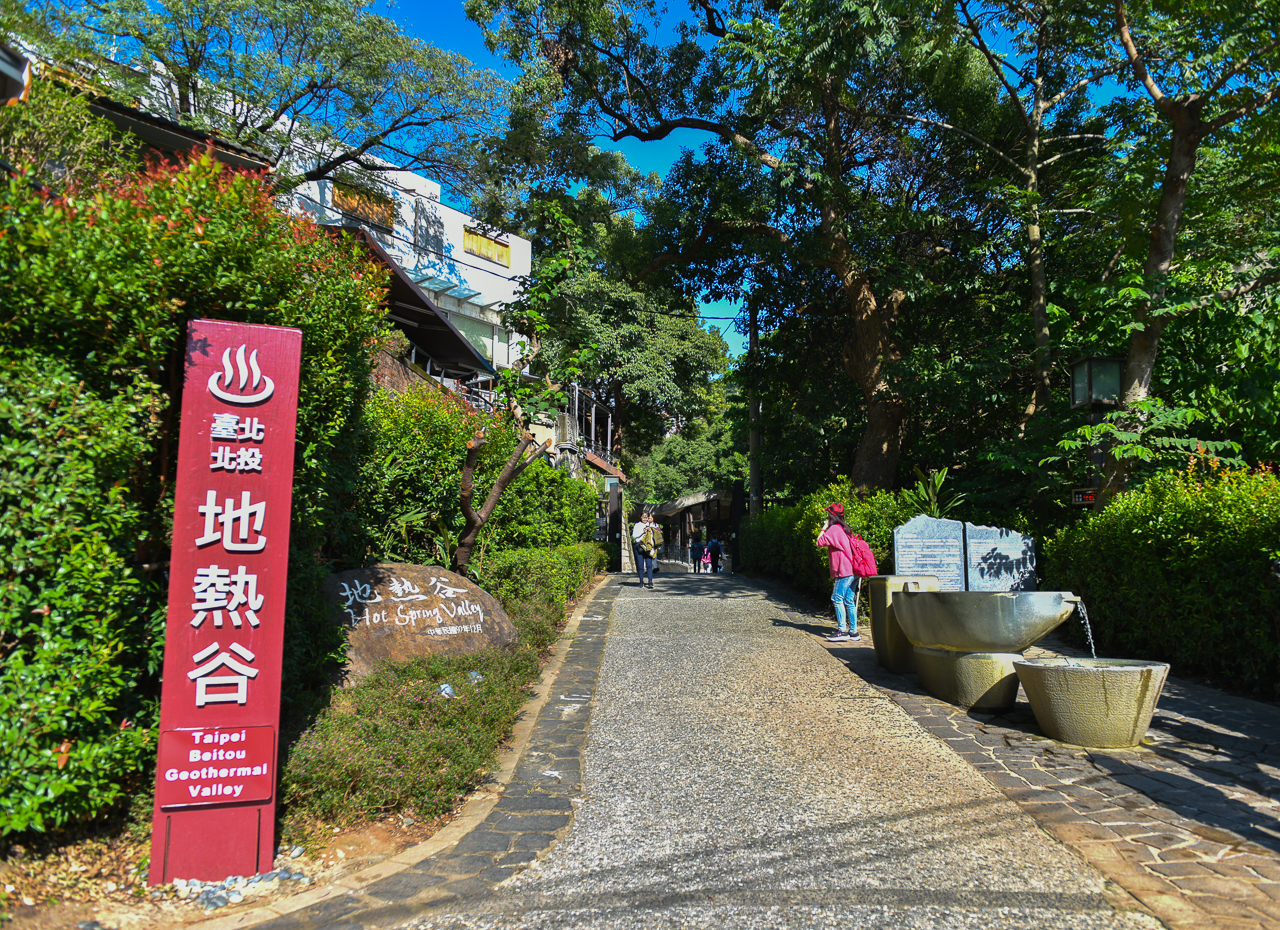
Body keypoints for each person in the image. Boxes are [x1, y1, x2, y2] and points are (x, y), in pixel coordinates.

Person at [816, 503, 861, 642]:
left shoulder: (834, 529)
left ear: (831, 516)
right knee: (849, 600)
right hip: (854, 570)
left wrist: (824, 528)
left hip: (845, 571)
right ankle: (853, 632)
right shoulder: (846, 529)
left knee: (837, 598)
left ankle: (842, 631)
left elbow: (819, 542)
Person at [632, 511, 659, 589]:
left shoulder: (652, 525)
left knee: (649, 565)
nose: (645, 518)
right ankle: (641, 581)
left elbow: (656, 536)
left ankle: (650, 581)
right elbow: (634, 536)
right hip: (639, 546)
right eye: (643, 516)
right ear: (640, 517)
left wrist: (651, 531)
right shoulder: (637, 525)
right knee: (640, 565)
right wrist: (643, 531)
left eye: (646, 517)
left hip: (648, 547)